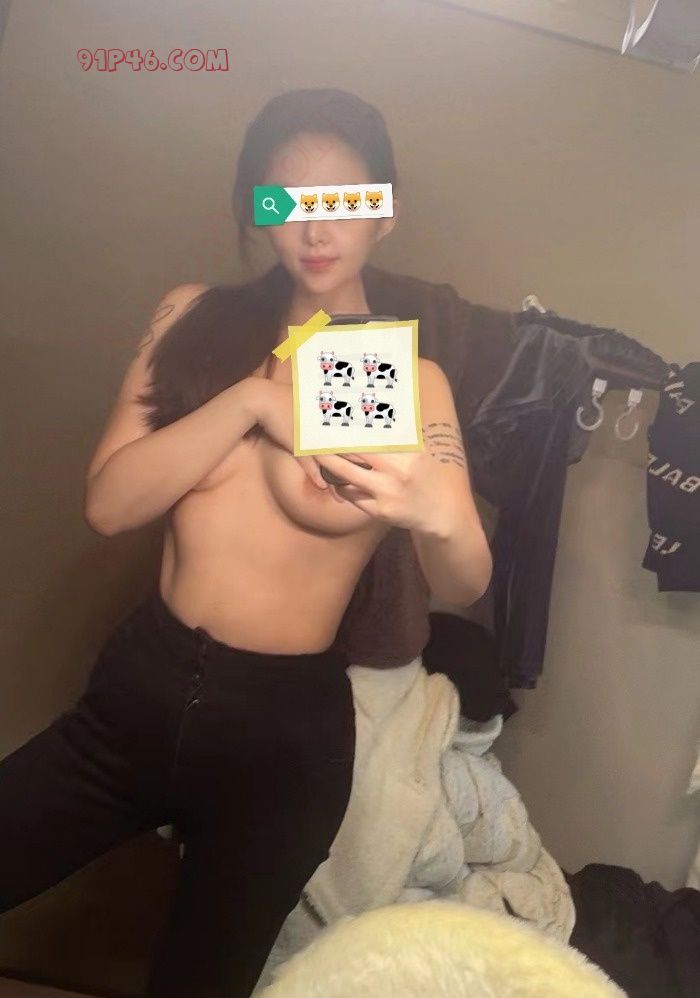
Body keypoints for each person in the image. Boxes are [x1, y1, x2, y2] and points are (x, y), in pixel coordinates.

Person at [0, 89, 492, 998]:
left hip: (281, 741)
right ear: (255, 209)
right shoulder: (196, 319)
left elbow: (462, 581)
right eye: (283, 200)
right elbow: (110, 505)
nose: (314, 227)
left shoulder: (398, 377)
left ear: (383, 212)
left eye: (342, 200)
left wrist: (442, 515)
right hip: (134, 700)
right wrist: (253, 402)